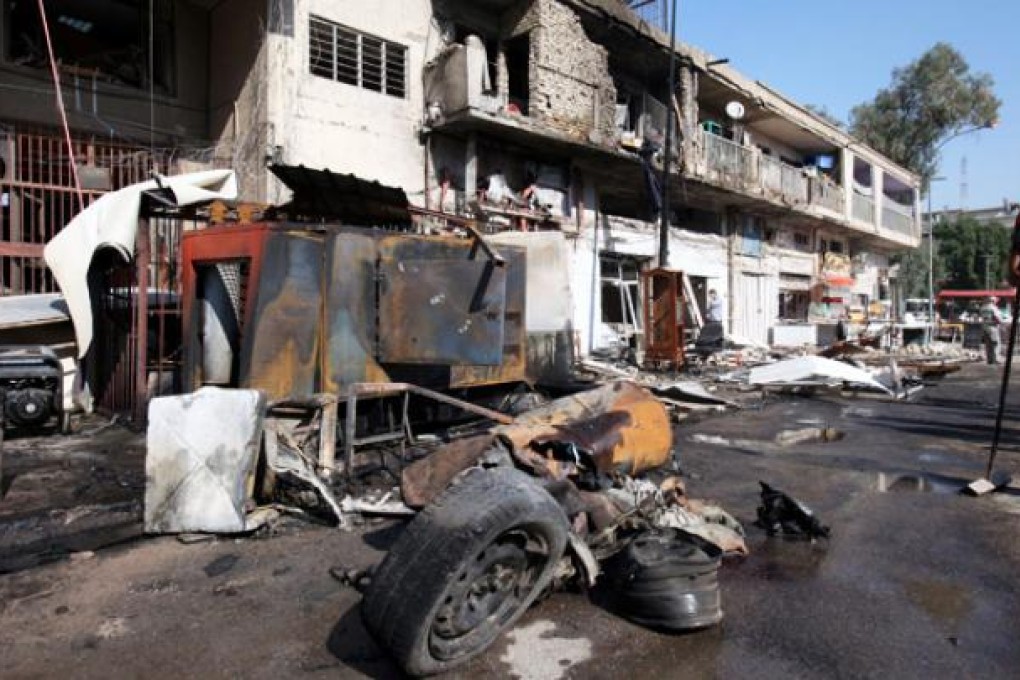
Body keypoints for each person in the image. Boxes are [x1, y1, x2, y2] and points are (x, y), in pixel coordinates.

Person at [981, 295, 1004, 365]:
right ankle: (996, 359)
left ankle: (989, 359)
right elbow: (997, 317)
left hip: (985, 327)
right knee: (996, 344)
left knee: (988, 345)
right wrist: (1000, 322)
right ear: (993, 301)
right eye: (996, 300)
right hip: (992, 327)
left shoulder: (983, 307)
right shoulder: (993, 308)